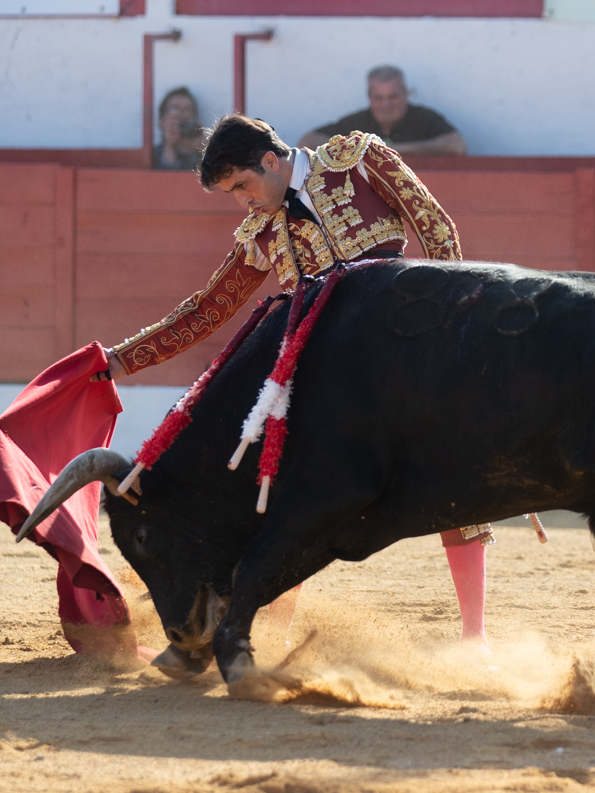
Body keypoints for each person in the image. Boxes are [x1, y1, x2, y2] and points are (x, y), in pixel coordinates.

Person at [94, 115, 491, 650]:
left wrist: (452, 329)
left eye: (243, 185)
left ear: (271, 161)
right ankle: (272, 636)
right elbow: (207, 310)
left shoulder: (358, 160)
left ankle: (474, 637)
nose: (243, 202)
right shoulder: (259, 230)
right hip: (327, 381)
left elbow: (436, 228)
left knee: (450, 476)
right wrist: (118, 361)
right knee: (287, 496)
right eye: (232, 194)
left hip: (403, 355)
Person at [299, 65, 467, 156]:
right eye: (378, 98)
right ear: (369, 98)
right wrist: (356, 150)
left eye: (393, 96)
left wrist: (391, 151)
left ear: (406, 95)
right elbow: (307, 142)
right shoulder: (357, 122)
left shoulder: (424, 118)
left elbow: (457, 146)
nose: (386, 105)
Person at [153, 87, 205, 171]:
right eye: (175, 110)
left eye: (188, 110)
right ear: (161, 120)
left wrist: (204, 150)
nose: (182, 116)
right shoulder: (152, 154)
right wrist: (169, 147)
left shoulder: (204, 152)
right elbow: (163, 177)